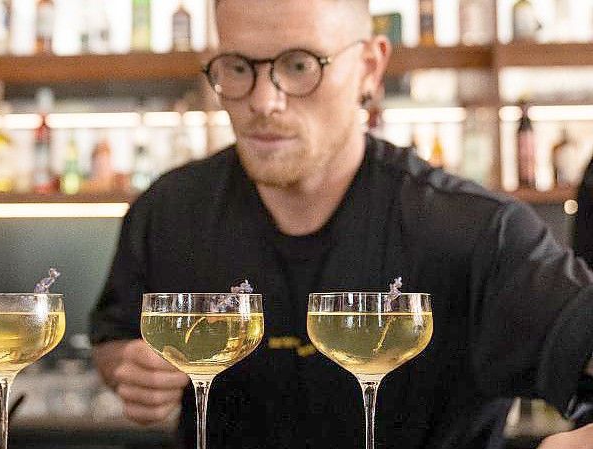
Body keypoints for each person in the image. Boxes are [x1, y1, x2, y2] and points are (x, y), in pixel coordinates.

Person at [89, 1, 593, 448]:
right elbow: (113, 338)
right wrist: (131, 370)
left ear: (370, 68)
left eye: (299, 64)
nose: (264, 102)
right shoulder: (169, 210)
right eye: (238, 67)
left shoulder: (477, 232)